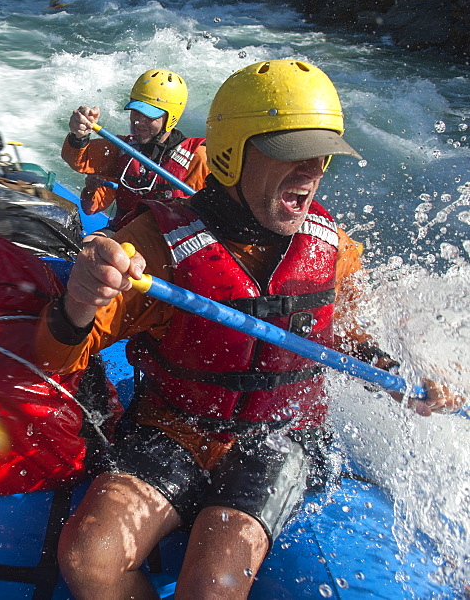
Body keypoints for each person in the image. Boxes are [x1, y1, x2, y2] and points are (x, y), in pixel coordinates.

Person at [37, 59, 463, 599]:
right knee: (88, 561)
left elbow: (352, 337)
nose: (311, 171)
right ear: (233, 154)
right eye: (290, 154)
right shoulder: (151, 247)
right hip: (173, 425)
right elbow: (57, 357)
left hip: (279, 435)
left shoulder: (333, 249)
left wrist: (406, 377)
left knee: (211, 585)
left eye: (321, 154)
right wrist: (78, 299)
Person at [64, 68, 208, 225]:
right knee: (90, 244)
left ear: (171, 117)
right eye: (136, 112)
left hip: (169, 242)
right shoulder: (123, 148)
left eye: (149, 116)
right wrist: (79, 135)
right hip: (124, 234)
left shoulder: (198, 157)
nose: (138, 121)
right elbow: (80, 160)